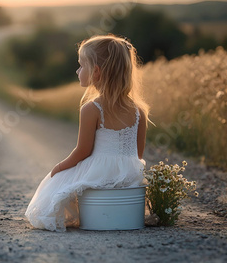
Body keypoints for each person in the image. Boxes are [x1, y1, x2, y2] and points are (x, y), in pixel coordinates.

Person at [24, 34, 151, 232]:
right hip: (130, 173)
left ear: (96, 72)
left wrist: (58, 168)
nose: (77, 71)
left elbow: (82, 152)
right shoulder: (139, 112)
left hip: (100, 172)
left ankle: (88, 215)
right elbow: (138, 155)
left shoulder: (92, 109)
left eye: (81, 66)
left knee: (59, 181)